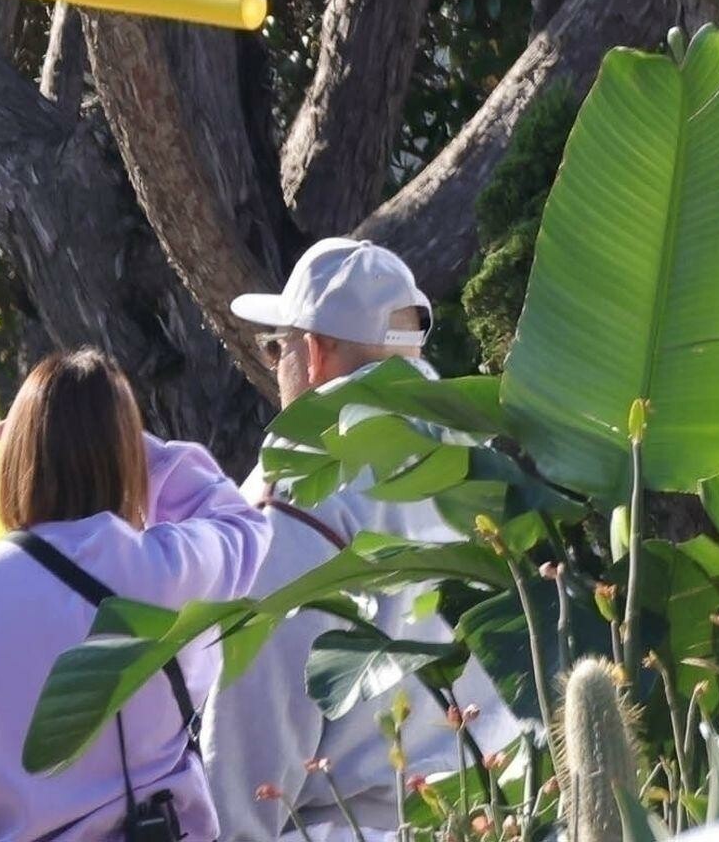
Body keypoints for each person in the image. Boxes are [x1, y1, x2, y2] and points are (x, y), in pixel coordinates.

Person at [0, 349, 270, 842]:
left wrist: (47, 432)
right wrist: (125, 442)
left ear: (15, 458)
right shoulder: (170, 570)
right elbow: (238, 519)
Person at [203, 238, 519, 842]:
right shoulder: (480, 457)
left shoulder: (303, 476)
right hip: (505, 811)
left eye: (275, 347)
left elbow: (258, 709)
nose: (275, 364)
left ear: (314, 352)